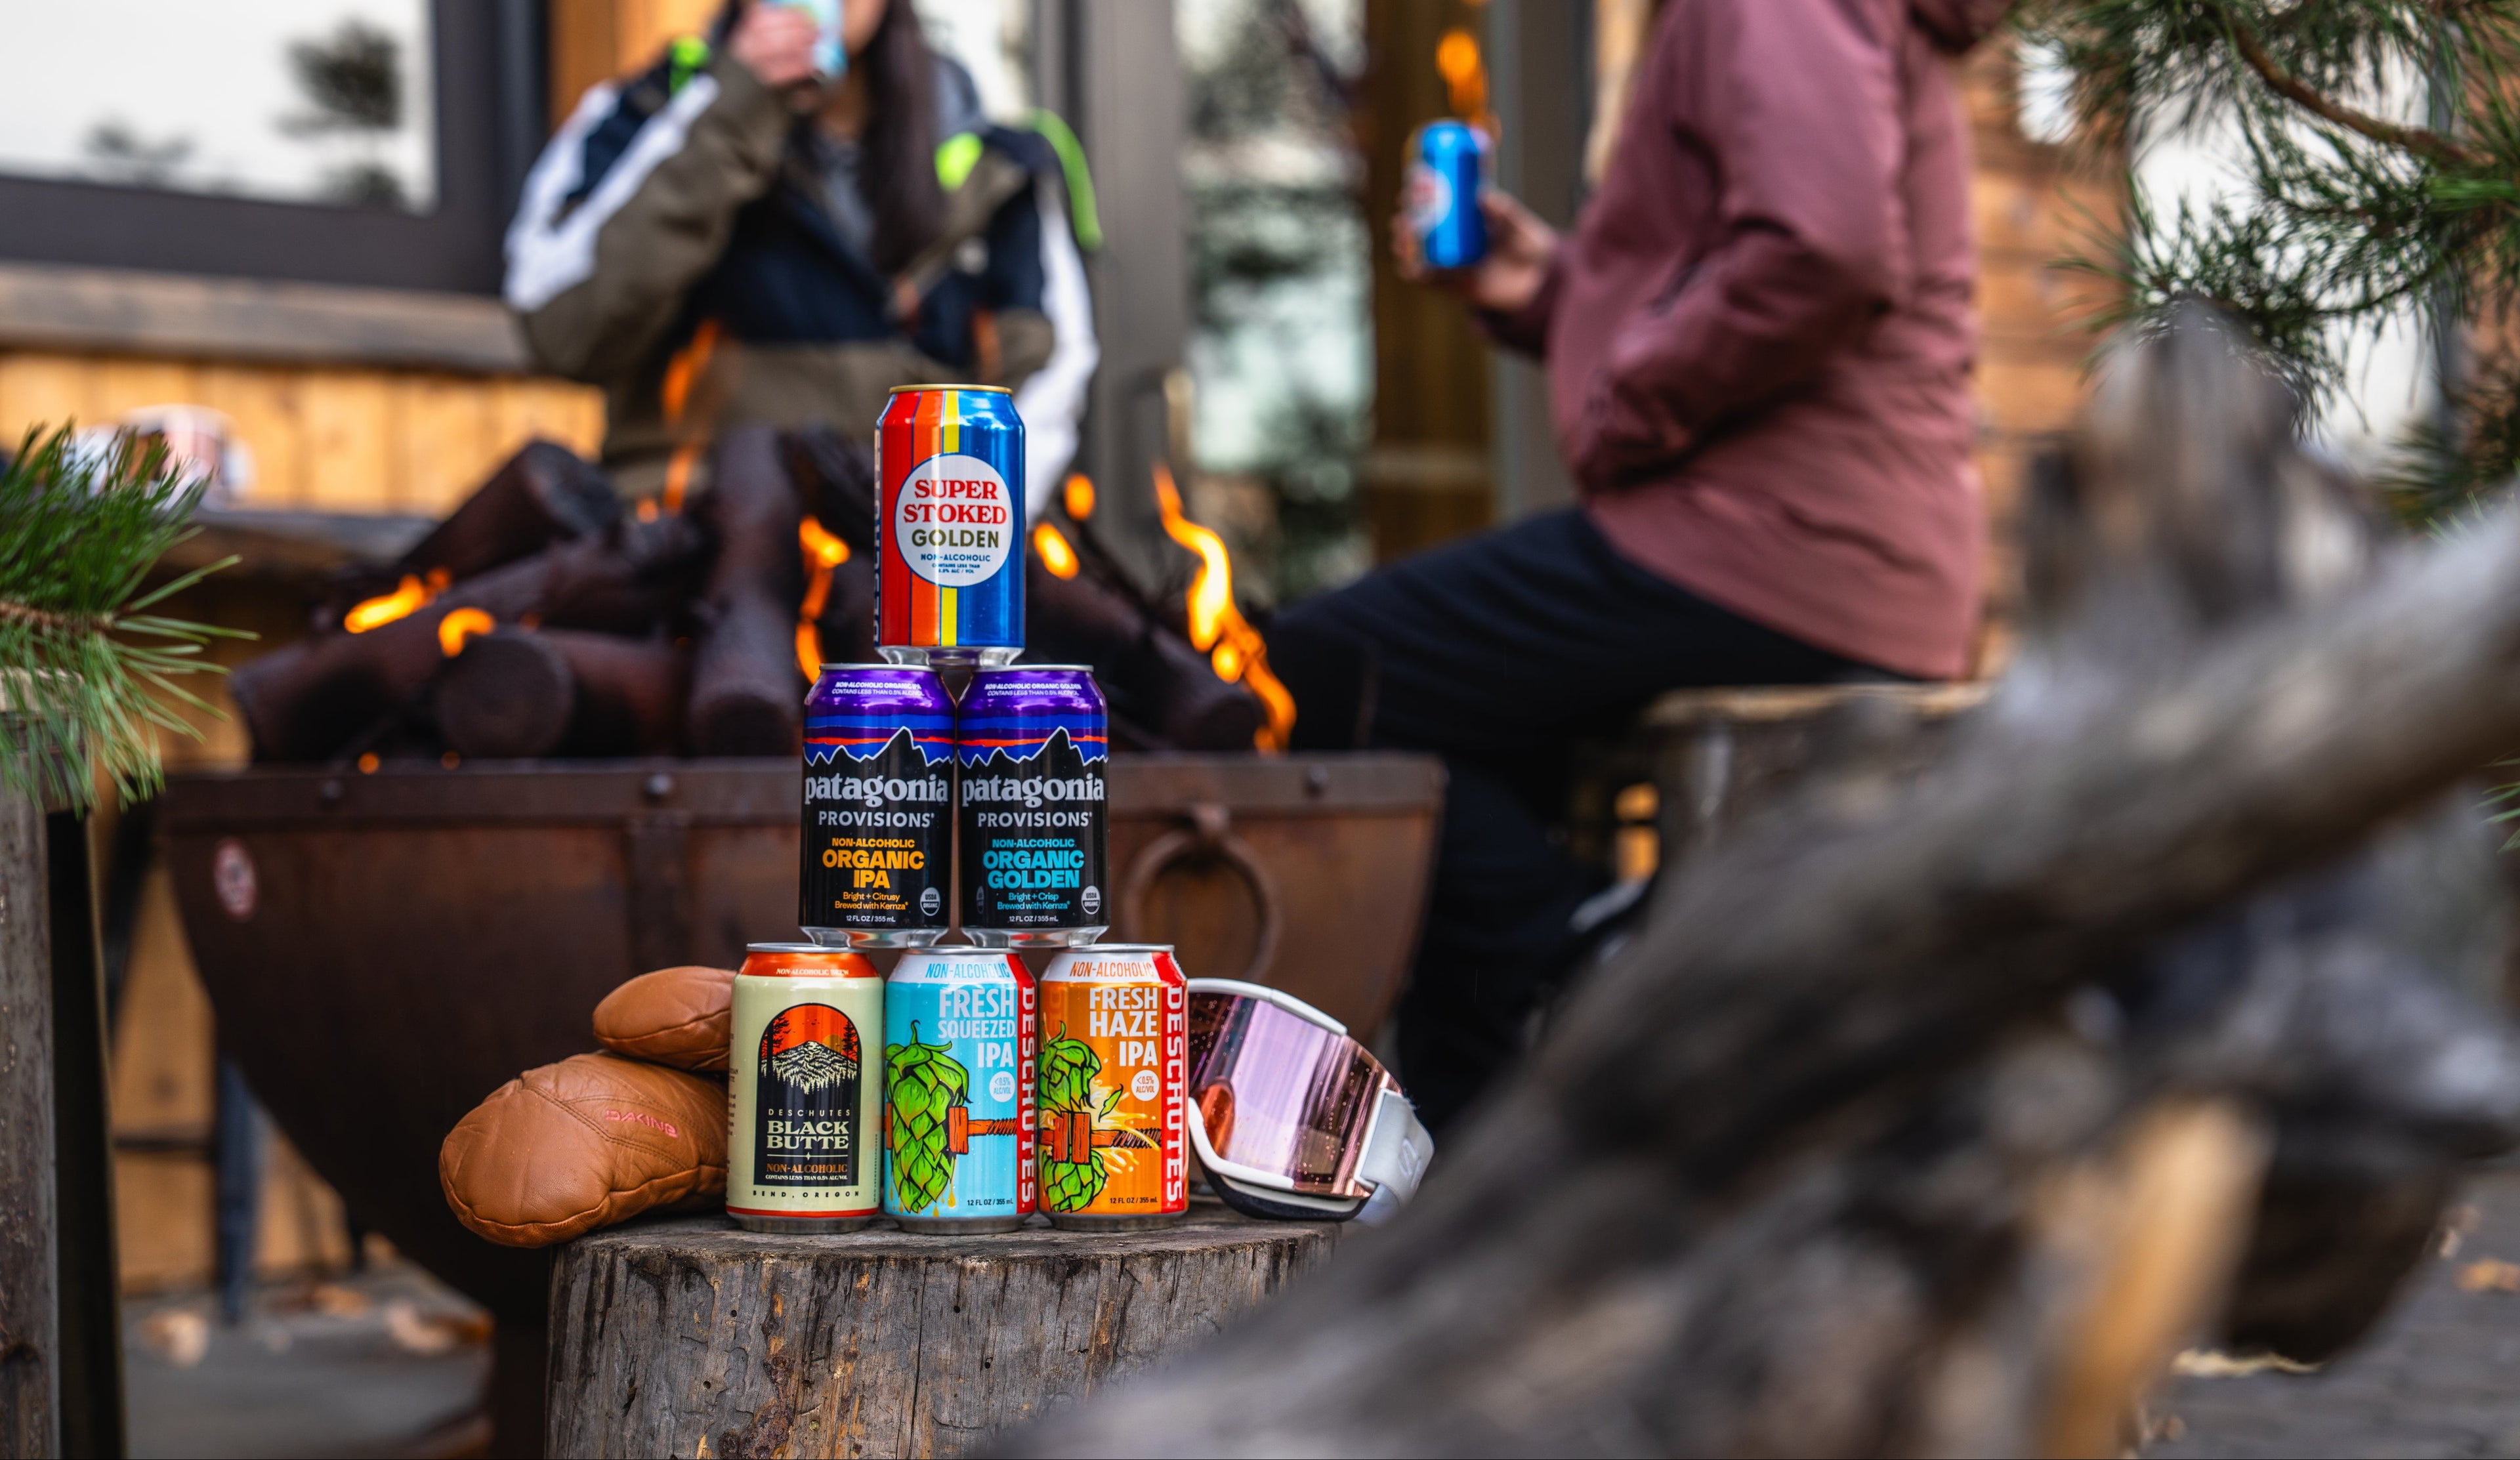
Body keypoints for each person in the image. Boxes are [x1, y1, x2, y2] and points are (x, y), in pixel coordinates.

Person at [1269, 0, 2006, 1134]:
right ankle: (1492, 1137)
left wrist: (1628, 395)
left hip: (1775, 541)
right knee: (1461, 739)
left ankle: (1600, 952)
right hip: (1825, 547)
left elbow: (1826, 248)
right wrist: (1558, 292)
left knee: (1321, 669)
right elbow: (1758, 255)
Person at [503, 0, 1097, 514]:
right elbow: (559, 327)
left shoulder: (998, 168)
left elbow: (1047, 378)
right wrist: (729, 111)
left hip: (917, 577)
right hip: (689, 566)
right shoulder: (644, 116)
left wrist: (954, 549)